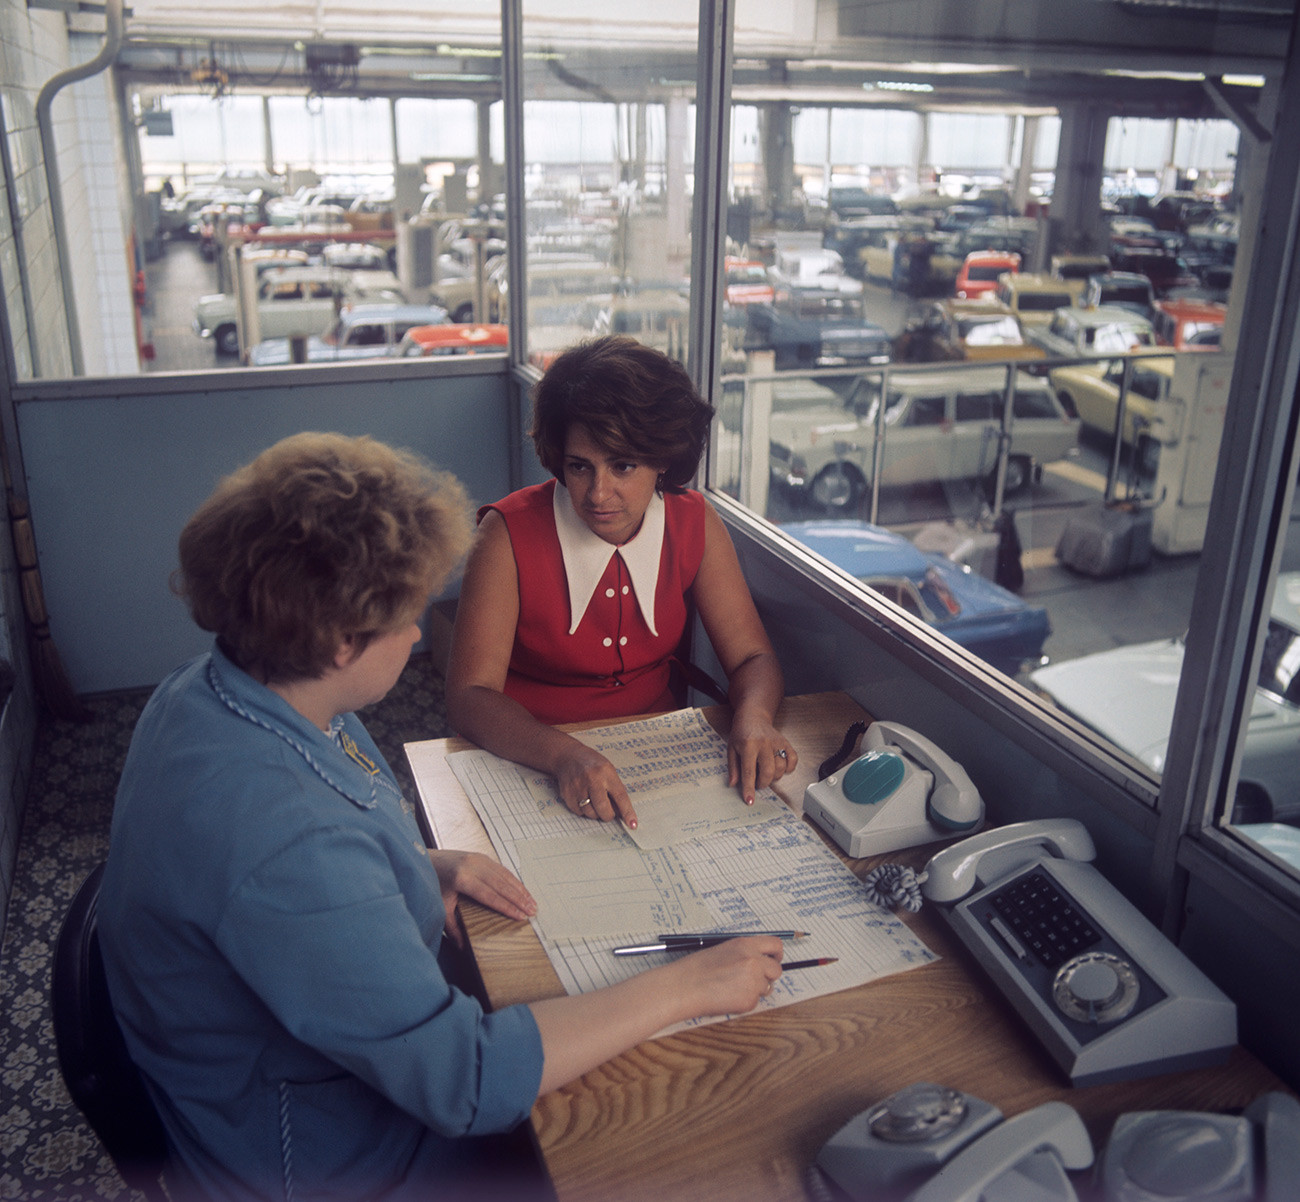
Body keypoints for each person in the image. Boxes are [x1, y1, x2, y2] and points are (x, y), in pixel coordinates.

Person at [97, 432, 785, 1202]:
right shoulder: (290, 842)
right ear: (338, 642)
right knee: (670, 1144)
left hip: (258, 1077)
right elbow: (467, 1083)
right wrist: (686, 986)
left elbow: (276, 864)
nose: (422, 633)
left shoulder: (210, 688)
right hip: (316, 1161)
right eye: (407, 614)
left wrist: (419, 865)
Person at [446, 335, 797, 830]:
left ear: (663, 461)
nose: (597, 493)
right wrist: (562, 754)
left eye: (624, 465)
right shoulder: (505, 534)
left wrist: (755, 715)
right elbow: (469, 696)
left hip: (660, 757)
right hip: (530, 759)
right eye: (579, 466)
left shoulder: (696, 522)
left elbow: (751, 658)